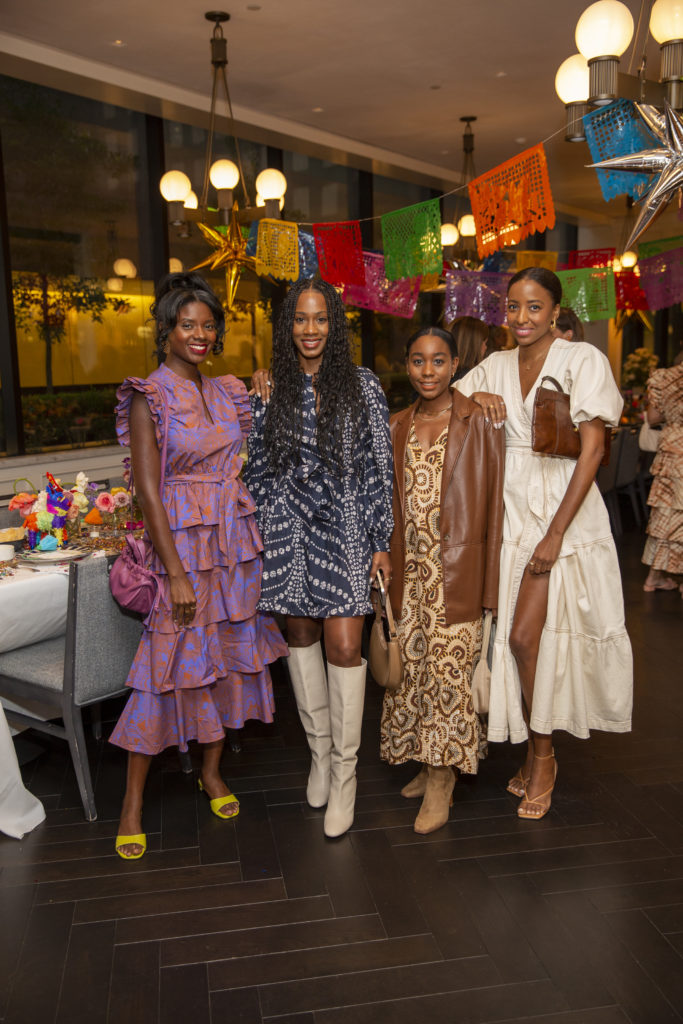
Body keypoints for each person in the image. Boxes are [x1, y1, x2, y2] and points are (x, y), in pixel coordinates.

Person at [111, 272, 287, 859]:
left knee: (228, 659)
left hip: (233, 547)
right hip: (182, 549)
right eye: (188, 324)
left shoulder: (228, 390)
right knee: (164, 665)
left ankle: (211, 773)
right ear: (166, 330)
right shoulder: (150, 395)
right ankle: (132, 802)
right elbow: (148, 492)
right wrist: (176, 573)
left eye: (209, 325)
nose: (200, 334)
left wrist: (265, 381)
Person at [455, 266, 633, 820]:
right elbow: (447, 401)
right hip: (511, 510)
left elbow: (594, 450)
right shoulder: (496, 364)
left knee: (523, 637)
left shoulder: (582, 359)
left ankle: (543, 756)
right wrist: (476, 397)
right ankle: (537, 751)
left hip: (564, 509)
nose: (522, 317)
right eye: (513, 306)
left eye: (534, 307)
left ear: (555, 311)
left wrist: (556, 534)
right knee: (520, 640)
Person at [244, 277, 393, 838]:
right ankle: (319, 757)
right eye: (300, 319)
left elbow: (379, 467)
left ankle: (345, 775)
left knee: (346, 645)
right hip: (289, 533)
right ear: (288, 327)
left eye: (321, 318)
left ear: (335, 324)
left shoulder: (363, 385)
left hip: (347, 528)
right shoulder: (270, 390)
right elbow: (256, 469)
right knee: (300, 638)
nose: (311, 329)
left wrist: (381, 540)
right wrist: (267, 527)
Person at [380, 326, 504, 834]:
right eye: (417, 360)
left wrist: (490, 586)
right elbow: (386, 503)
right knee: (412, 672)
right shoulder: (397, 424)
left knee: (449, 674)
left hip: (458, 572)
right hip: (408, 571)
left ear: (455, 365)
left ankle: (441, 780)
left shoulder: (480, 420)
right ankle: (426, 759)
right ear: (406, 365)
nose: (427, 370)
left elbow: (495, 505)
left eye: (438, 360)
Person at [642, 361, 683, 594]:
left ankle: (653, 578)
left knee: (665, 515)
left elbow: (653, 417)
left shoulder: (664, 378)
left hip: (671, 451)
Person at [449, 315, 489, 380]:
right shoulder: (473, 378)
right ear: (473, 346)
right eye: (484, 343)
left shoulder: (443, 374)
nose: (485, 347)